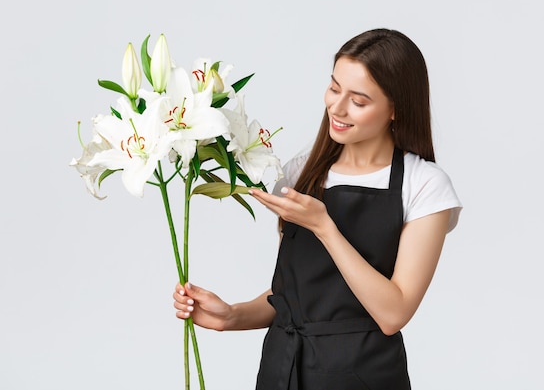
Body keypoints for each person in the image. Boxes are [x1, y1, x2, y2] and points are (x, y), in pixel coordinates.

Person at [173, 28, 462, 390]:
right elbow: (293, 296)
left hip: (363, 377)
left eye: (358, 100)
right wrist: (233, 316)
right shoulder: (300, 172)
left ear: (395, 109)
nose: (336, 108)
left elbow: (393, 313)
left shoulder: (424, 185)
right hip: (283, 371)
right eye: (334, 88)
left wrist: (325, 227)